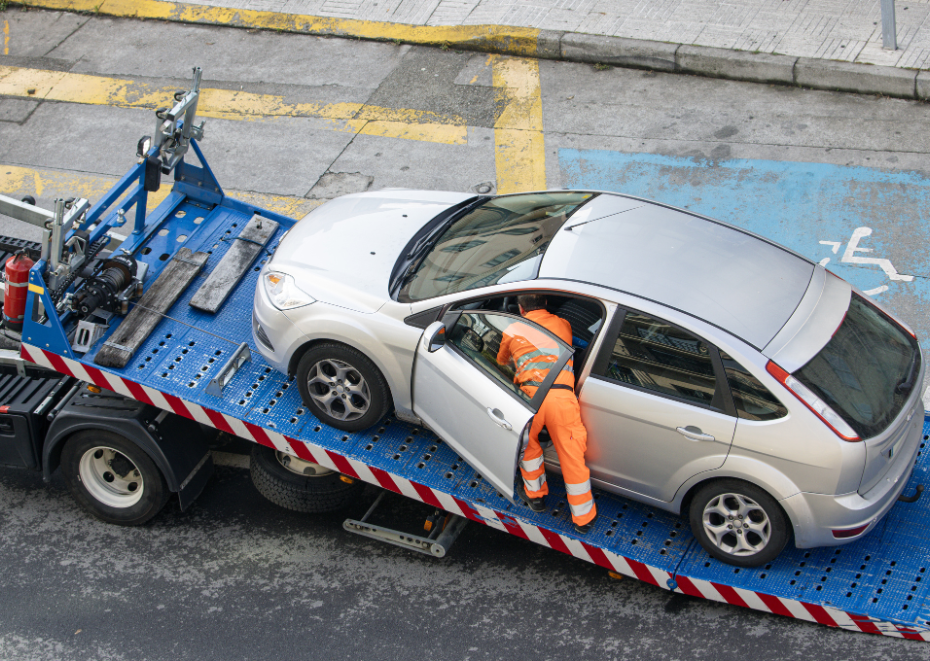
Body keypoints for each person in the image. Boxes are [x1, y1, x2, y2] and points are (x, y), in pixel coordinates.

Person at [496, 294, 598, 534]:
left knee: (528, 448)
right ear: (544, 304)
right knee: (572, 455)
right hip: (562, 398)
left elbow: (501, 361)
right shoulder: (563, 324)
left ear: (521, 309)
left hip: (530, 398)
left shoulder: (512, 329)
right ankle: (583, 519)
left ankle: (536, 497)